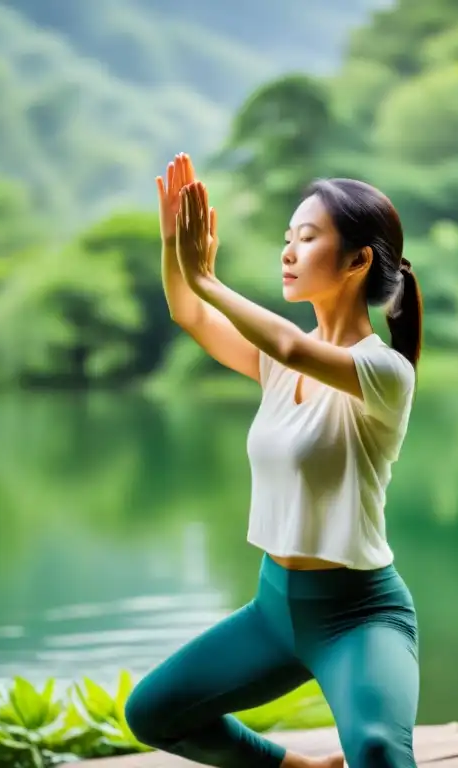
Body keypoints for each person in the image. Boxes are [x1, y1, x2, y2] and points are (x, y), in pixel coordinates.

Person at [123, 153, 424, 768]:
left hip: (358, 614)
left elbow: (282, 338)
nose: (287, 252)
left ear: (359, 259)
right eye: (286, 239)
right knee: (151, 713)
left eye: (307, 238)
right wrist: (172, 250)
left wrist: (206, 277)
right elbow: (190, 314)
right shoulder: (278, 366)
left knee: (375, 749)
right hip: (274, 609)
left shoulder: (385, 372)